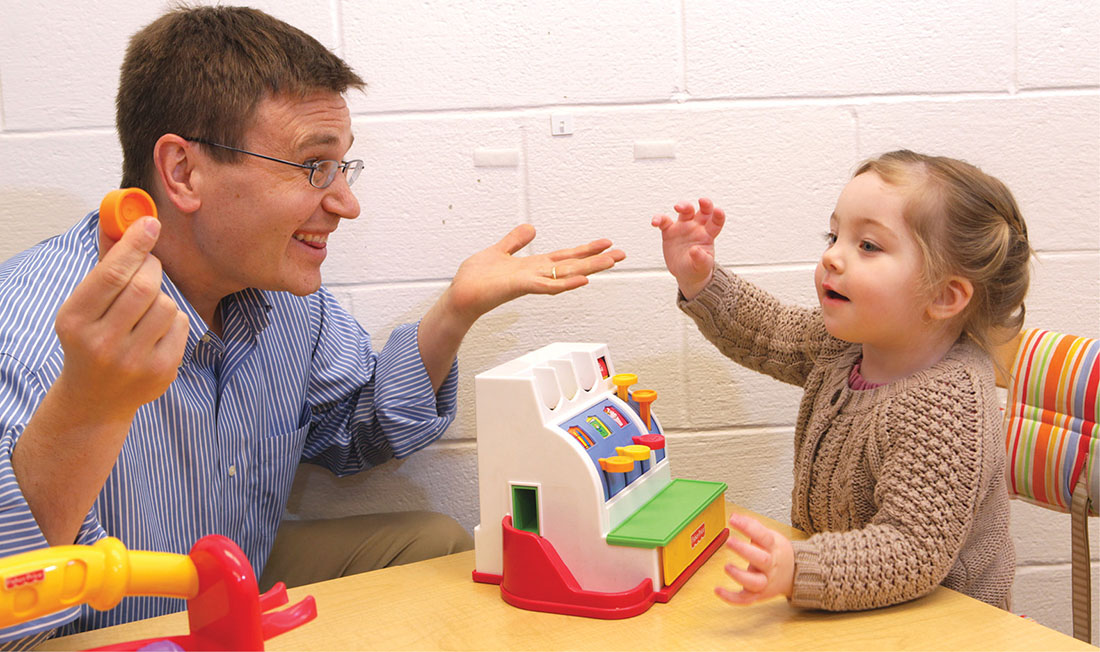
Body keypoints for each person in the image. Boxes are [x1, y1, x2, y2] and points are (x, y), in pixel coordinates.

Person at [0, 6, 624, 645]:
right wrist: (86, 405)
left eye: (343, 167)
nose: (346, 205)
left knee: (433, 542)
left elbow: (359, 431)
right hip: (96, 629)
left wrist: (454, 312)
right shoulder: (23, 337)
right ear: (183, 172)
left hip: (227, 584)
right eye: (313, 167)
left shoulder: (282, 297)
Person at [652, 150, 1031, 611]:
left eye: (868, 245)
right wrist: (702, 280)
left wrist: (799, 567)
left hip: (945, 626)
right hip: (853, 608)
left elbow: (911, 549)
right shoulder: (847, 346)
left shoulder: (946, 402)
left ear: (945, 296)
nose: (832, 256)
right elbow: (767, 329)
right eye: (834, 235)